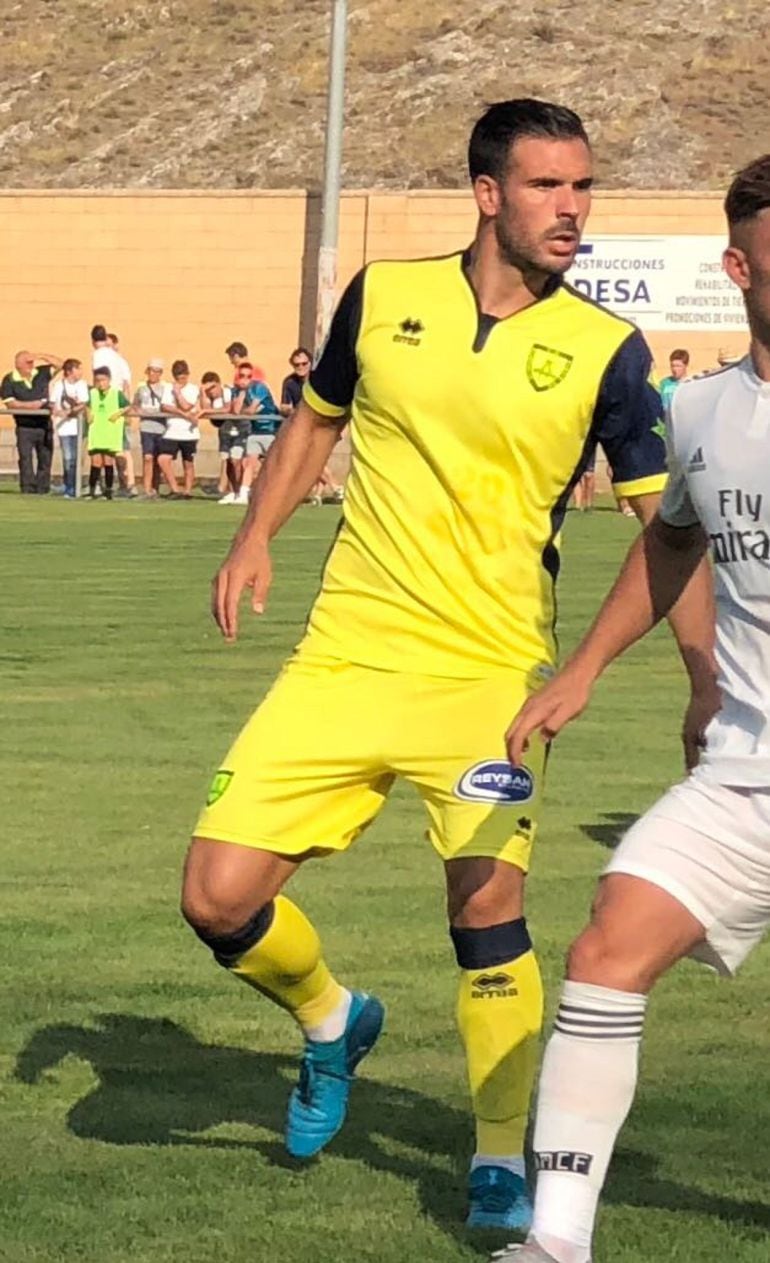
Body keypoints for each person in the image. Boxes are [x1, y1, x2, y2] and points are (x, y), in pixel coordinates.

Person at [180, 99, 699, 1235]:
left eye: (582, 187)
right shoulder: (383, 294)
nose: (571, 210)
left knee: (486, 909)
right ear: (485, 195)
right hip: (345, 656)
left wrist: (699, 682)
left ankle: (500, 1157)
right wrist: (254, 532)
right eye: (547, 187)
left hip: (487, 674)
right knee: (214, 899)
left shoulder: (606, 352)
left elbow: (671, 531)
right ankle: (332, 1022)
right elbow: (318, 419)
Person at [492, 155, 770, 1263]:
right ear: (738, 269)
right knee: (608, 942)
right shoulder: (697, 410)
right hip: (745, 773)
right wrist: (584, 669)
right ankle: (553, 1242)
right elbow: (669, 543)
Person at [1, 350, 62, 494]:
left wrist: (41, 355)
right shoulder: (9, 380)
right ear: (18, 365)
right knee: (25, 458)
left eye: (31, 362)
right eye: (27, 362)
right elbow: (11, 403)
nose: (31, 365)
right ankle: (27, 487)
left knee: (45, 457)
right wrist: (33, 405)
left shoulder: (41, 373)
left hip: (44, 424)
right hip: (24, 426)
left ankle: (43, 488)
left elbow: (61, 364)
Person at [91, 325, 136, 497]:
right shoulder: (119, 358)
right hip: (119, 402)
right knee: (122, 446)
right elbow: (126, 384)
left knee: (101, 447)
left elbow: (98, 378)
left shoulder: (99, 355)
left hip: (106, 405)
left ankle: (99, 485)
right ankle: (128, 483)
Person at [232, 363, 281, 505]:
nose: (245, 379)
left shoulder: (260, 388)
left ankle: (277, 494)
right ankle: (243, 494)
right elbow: (236, 411)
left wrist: (244, 410)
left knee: (273, 464)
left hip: (272, 431)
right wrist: (241, 393)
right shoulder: (237, 390)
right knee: (249, 463)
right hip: (255, 432)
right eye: (242, 376)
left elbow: (251, 410)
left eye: (248, 376)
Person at [86, 366, 130, 500]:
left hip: (110, 434)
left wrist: (118, 413)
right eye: (98, 380)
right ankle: (92, 490)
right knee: (95, 461)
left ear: (109, 380)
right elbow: (87, 406)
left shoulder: (116, 393)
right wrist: (88, 414)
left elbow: (128, 405)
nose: (100, 383)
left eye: (103, 380)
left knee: (108, 461)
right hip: (96, 432)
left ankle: (109, 490)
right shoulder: (92, 393)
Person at [159, 359, 200, 498]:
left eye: (183, 377)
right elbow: (165, 406)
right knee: (163, 459)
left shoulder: (193, 389)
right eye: (178, 378)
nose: (181, 381)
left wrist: (178, 394)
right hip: (172, 431)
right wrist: (183, 415)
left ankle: (187, 491)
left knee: (188, 463)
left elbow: (187, 406)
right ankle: (175, 489)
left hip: (189, 432)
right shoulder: (167, 388)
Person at [200, 371, 241, 504]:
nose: (211, 392)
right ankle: (225, 488)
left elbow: (228, 408)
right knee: (225, 457)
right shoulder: (211, 398)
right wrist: (202, 393)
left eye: (212, 388)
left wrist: (208, 411)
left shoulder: (228, 392)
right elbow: (204, 408)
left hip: (236, 427)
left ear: (218, 384)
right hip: (223, 429)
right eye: (208, 389)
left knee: (235, 459)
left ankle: (233, 488)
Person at [50, 358, 89, 498]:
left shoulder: (82, 385)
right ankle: (69, 486)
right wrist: (56, 411)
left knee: (77, 459)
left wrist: (69, 412)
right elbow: (53, 403)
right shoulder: (59, 385)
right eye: (78, 369)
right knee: (68, 458)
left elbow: (83, 404)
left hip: (78, 428)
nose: (81, 372)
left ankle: (74, 486)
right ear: (69, 371)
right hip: (64, 428)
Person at [132, 358, 168, 499]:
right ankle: (147, 489)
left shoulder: (165, 388)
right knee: (147, 457)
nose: (154, 374)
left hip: (161, 427)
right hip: (146, 427)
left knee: (158, 459)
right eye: (152, 371)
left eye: (157, 371)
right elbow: (135, 404)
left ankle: (155, 488)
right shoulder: (141, 388)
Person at [658, 347, 690, 412]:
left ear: (686, 365)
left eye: (678, 366)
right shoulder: (664, 383)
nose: (674, 369)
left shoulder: (690, 384)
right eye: (672, 366)